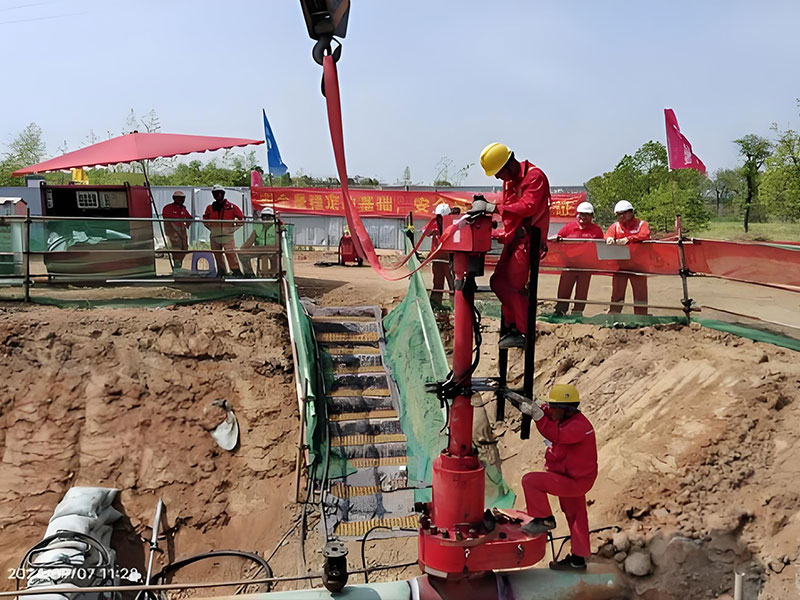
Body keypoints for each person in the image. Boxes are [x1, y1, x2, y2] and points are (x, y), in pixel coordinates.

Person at [469, 142, 551, 348]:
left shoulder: (535, 177)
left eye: (498, 173)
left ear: (509, 164)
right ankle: (512, 327)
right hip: (514, 240)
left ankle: (524, 332)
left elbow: (528, 207)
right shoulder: (510, 182)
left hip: (528, 242)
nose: (497, 178)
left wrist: (493, 207)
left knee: (514, 286)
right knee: (498, 282)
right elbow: (510, 213)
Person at [519, 384, 597, 571]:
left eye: (555, 407)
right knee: (577, 517)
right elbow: (548, 412)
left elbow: (555, 434)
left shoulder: (579, 427)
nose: (551, 410)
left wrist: (538, 418)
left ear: (566, 409)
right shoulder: (565, 416)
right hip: (570, 477)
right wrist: (535, 407)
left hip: (574, 481)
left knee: (530, 481)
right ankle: (578, 560)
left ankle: (544, 520)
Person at [553, 201, 605, 315]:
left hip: (586, 267)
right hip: (569, 265)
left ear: (592, 216)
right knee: (564, 289)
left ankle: (578, 312)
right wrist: (554, 239)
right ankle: (560, 311)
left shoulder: (596, 230)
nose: (583, 216)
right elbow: (557, 237)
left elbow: (602, 247)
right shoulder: (569, 227)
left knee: (582, 291)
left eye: (586, 214)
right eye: (581, 213)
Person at [605, 200, 651, 315]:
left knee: (640, 294)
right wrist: (609, 238)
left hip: (639, 266)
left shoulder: (642, 224)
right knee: (617, 293)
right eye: (618, 214)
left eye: (624, 213)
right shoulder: (615, 227)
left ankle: (641, 317)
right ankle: (614, 316)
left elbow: (645, 235)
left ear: (631, 212)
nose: (621, 216)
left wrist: (629, 239)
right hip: (620, 267)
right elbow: (608, 234)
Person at [203, 185, 244, 277]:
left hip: (227, 236)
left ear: (223, 194)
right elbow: (205, 220)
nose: (217, 195)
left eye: (219, 193)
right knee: (217, 254)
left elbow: (242, 219)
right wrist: (211, 228)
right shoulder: (210, 207)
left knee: (230, 254)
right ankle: (221, 271)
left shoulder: (231, 207)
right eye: (215, 193)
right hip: (215, 236)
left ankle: (236, 272)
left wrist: (232, 229)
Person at [240, 207, 281, 277]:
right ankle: (249, 274)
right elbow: (248, 243)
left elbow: (278, 245)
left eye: (269, 217)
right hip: (260, 249)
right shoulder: (258, 227)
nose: (266, 219)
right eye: (264, 217)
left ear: (273, 218)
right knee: (241, 253)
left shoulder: (277, 227)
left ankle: (275, 274)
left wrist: (268, 249)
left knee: (275, 255)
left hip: (273, 250)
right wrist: (243, 249)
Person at [430, 203, 455, 306]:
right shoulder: (434, 224)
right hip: (439, 258)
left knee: (452, 284)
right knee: (439, 284)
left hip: (448, 258)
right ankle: (436, 304)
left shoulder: (452, 226)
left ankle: (454, 305)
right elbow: (426, 231)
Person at [162, 190, 192, 274]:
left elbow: (189, 217)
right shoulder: (168, 208)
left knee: (184, 249)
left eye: (183, 198)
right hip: (173, 233)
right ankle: (176, 268)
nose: (181, 200)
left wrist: (188, 222)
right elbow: (168, 221)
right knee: (176, 251)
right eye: (179, 198)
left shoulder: (183, 208)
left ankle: (178, 268)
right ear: (174, 198)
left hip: (182, 233)